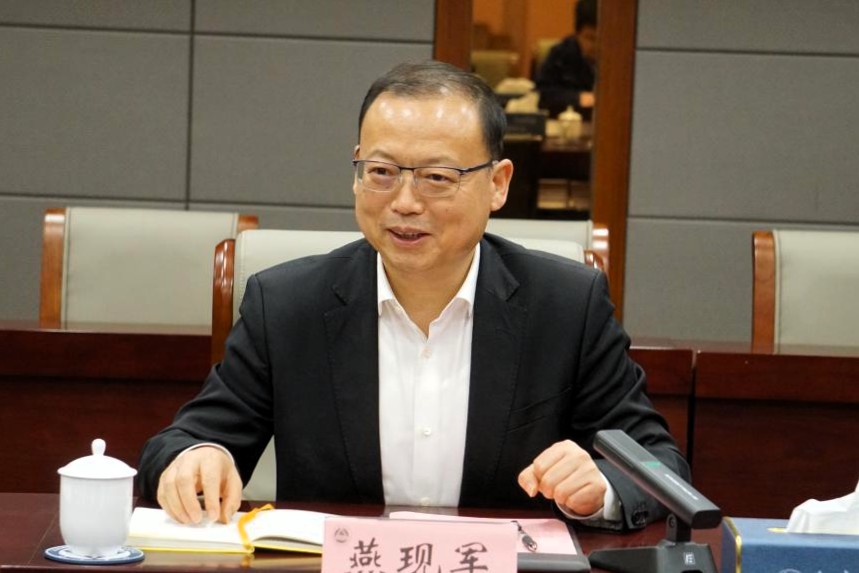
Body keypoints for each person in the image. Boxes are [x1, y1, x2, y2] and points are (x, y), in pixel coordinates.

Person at [137, 60, 688, 532]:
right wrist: (196, 458)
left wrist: (603, 487)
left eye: (436, 178)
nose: (404, 202)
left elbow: (658, 464)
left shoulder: (566, 305)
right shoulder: (286, 305)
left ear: (498, 183)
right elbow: (181, 443)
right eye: (381, 172)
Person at [535, 0, 598, 117]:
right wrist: (578, 98)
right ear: (577, 34)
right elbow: (541, 94)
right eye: (590, 38)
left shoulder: (623, 59)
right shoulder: (561, 54)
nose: (597, 45)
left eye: (602, 38)